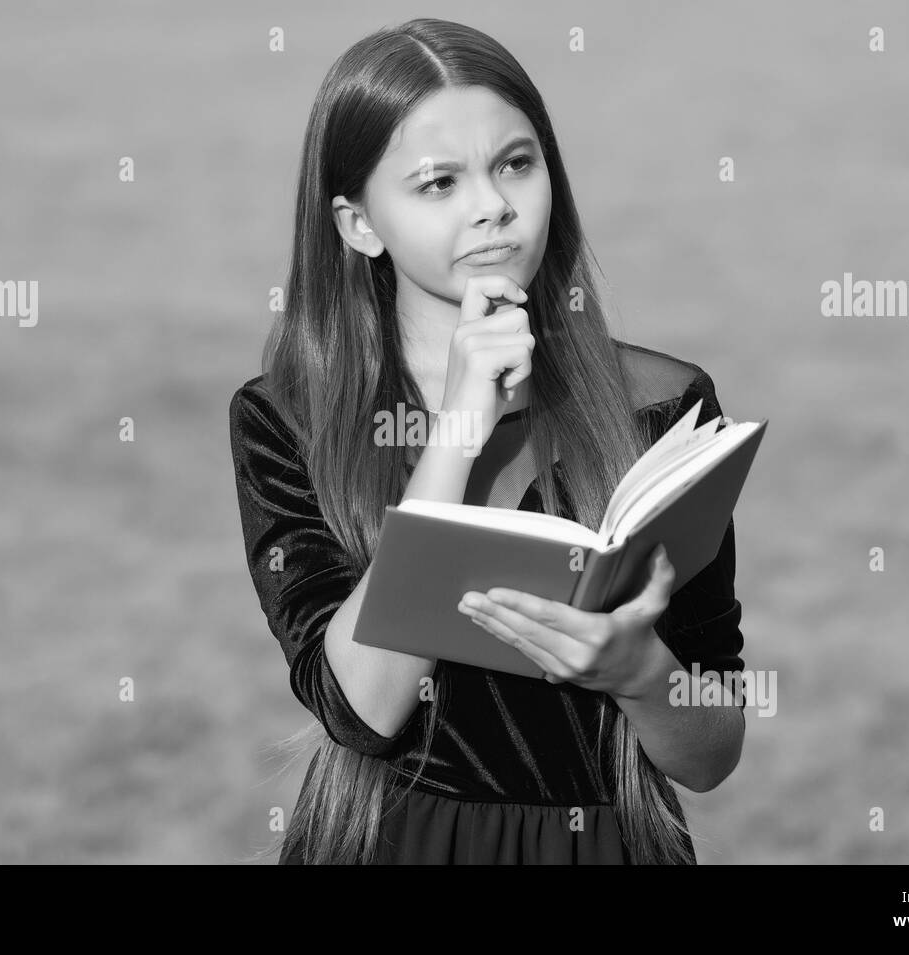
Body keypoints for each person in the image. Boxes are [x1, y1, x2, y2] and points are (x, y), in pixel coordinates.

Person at [228, 18, 747, 865]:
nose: (493, 206)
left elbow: (712, 754)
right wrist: (459, 429)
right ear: (359, 225)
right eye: (438, 183)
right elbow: (362, 708)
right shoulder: (288, 417)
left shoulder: (664, 405)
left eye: (516, 163)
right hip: (382, 840)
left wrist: (641, 672)